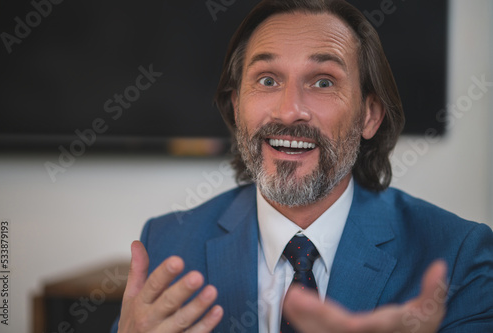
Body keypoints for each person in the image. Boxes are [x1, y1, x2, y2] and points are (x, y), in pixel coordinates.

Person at [111, 0, 493, 332]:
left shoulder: (458, 254)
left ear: (369, 115)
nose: (290, 110)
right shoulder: (166, 246)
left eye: (323, 82)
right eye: (267, 79)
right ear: (235, 106)